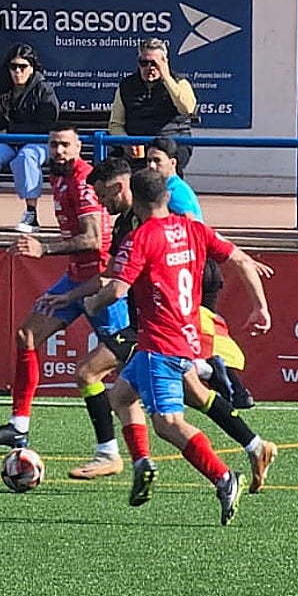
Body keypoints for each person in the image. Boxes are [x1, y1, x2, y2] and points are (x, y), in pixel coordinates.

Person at [44, 157, 277, 493]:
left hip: (153, 333)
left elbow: (115, 286)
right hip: (183, 329)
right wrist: (261, 307)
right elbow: (240, 258)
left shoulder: (139, 234)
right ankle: (253, 444)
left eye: (104, 196)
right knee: (144, 395)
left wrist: (87, 302)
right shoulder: (190, 227)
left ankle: (214, 476)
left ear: (127, 192)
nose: (102, 204)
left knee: (148, 410)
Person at [0, 124, 129, 454]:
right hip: (75, 278)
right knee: (26, 335)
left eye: (65, 145)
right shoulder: (58, 177)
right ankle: (18, 427)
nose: (58, 151)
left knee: (128, 362)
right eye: (53, 144)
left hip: (97, 281)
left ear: (78, 147)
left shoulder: (84, 182)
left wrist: (44, 249)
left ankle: (205, 378)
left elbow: (91, 239)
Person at [0, 43, 58, 233]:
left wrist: (13, 129)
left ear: (32, 68)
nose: (17, 71)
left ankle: (31, 213)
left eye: (22, 67)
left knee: (26, 157)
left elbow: (45, 126)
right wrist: (7, 131)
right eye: (13, 66)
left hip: (36, 142)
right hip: (7, 142)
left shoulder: (44, 90)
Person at [108, 38, 198, 171]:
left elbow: (187, 109)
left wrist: (166, 77)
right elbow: (115, 124)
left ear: (164, 62)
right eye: (144, 63)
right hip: (138, 146)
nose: (149, 68)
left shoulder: (180, 83)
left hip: (172, 143)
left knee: (163, 163)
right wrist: (126, 142)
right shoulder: (126, 85)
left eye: (154, 63)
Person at [145, 136, 202, 219]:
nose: (151, 166)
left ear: (173, 162)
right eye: (149, 160)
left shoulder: (176, 190)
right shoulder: (165, 187)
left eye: (157, 160)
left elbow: (191, 221)